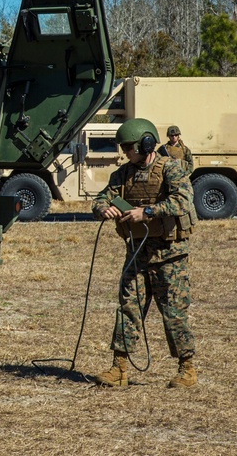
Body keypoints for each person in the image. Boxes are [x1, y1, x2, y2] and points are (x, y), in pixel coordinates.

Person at [91, 118, 199, 389]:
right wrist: (104, 208)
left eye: (129, 147)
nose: (125, 152)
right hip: (137, 255)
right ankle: (120, 368)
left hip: (169, 255)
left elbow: (183, 200)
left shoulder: (171, 169)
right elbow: (101, 198)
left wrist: (148, 211)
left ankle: (187, 368)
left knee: (173, 312)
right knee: (129, 309)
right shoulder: (123, 174)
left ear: (146, 143)